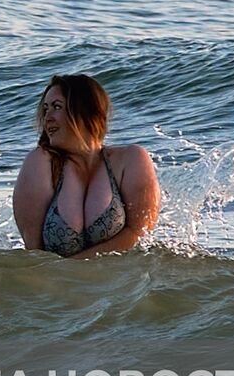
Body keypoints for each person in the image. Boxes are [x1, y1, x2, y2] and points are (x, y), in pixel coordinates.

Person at [12, 74, 160, 257]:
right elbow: (34, 253)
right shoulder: (40, 164)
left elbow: (139, 234)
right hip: (62, 284)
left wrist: (76, 267)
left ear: (84, 110)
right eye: (45, 108)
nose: (47, 117)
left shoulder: (130, 159)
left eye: (56, 107)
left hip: (120, 283)